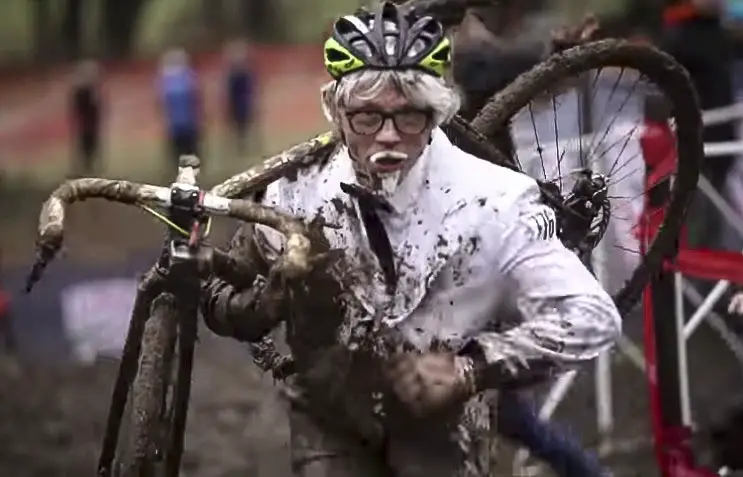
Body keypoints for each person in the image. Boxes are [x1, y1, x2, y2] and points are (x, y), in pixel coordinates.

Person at [200, 3, 621, 476]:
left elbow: (592, 317)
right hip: (330, 418)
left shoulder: (495, 200)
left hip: (443, 424)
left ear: (436, 114)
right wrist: (267, 301)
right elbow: (221, 296)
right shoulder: (292, 194)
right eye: (366, 118)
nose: (387, 138)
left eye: (409, 118)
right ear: (336, 112)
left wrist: (472, 369)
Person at [157, 48, 202, 171]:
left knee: (181, 153)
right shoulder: (187, 78)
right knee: (188, 152)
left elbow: (162, 103)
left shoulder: (167, 80)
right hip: (185, 124)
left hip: (180, 124)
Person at [223, 40, 258, 155]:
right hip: (238, 104)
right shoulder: (235, 74)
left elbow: (251, 88)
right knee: (238, 127)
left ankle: (244, 146)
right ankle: (240, 146)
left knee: (244, 126)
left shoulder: (244, 73)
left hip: (244, 103)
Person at [69, 59, 103, 176]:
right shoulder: (82, 91)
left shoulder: (91, 89)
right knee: (86, 147)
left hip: (91, 124)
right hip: (86, 125)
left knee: (91, 147)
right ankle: (85, 169)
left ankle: (88, 168)